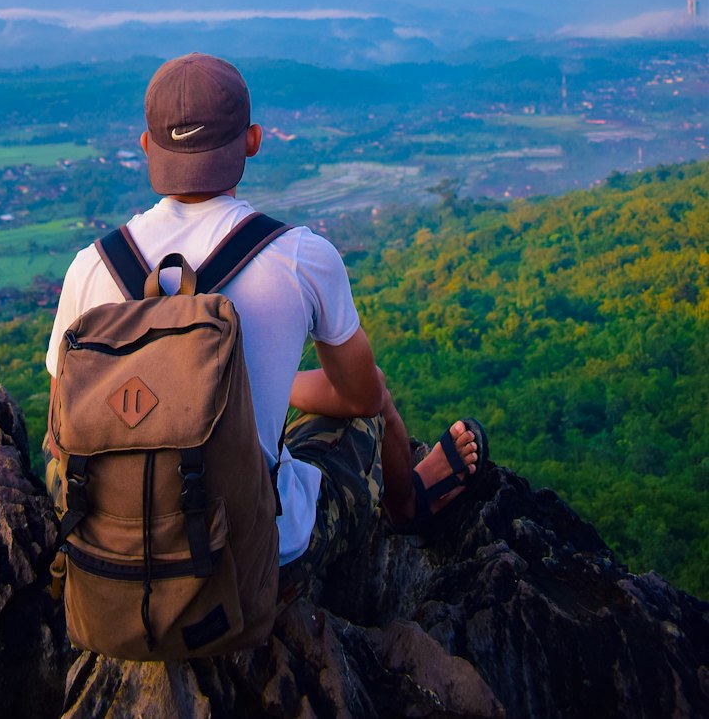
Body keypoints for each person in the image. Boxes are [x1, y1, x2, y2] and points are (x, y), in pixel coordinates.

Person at [45, 52, 484, 602]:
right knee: (372, 410)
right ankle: (408, 502)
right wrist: (281, 387)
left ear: (146, 147)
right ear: (254, 140)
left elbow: (61, 428)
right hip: (250, 562)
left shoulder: (90, 267)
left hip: (110, 559)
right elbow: (359, 395)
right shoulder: (301, 257)